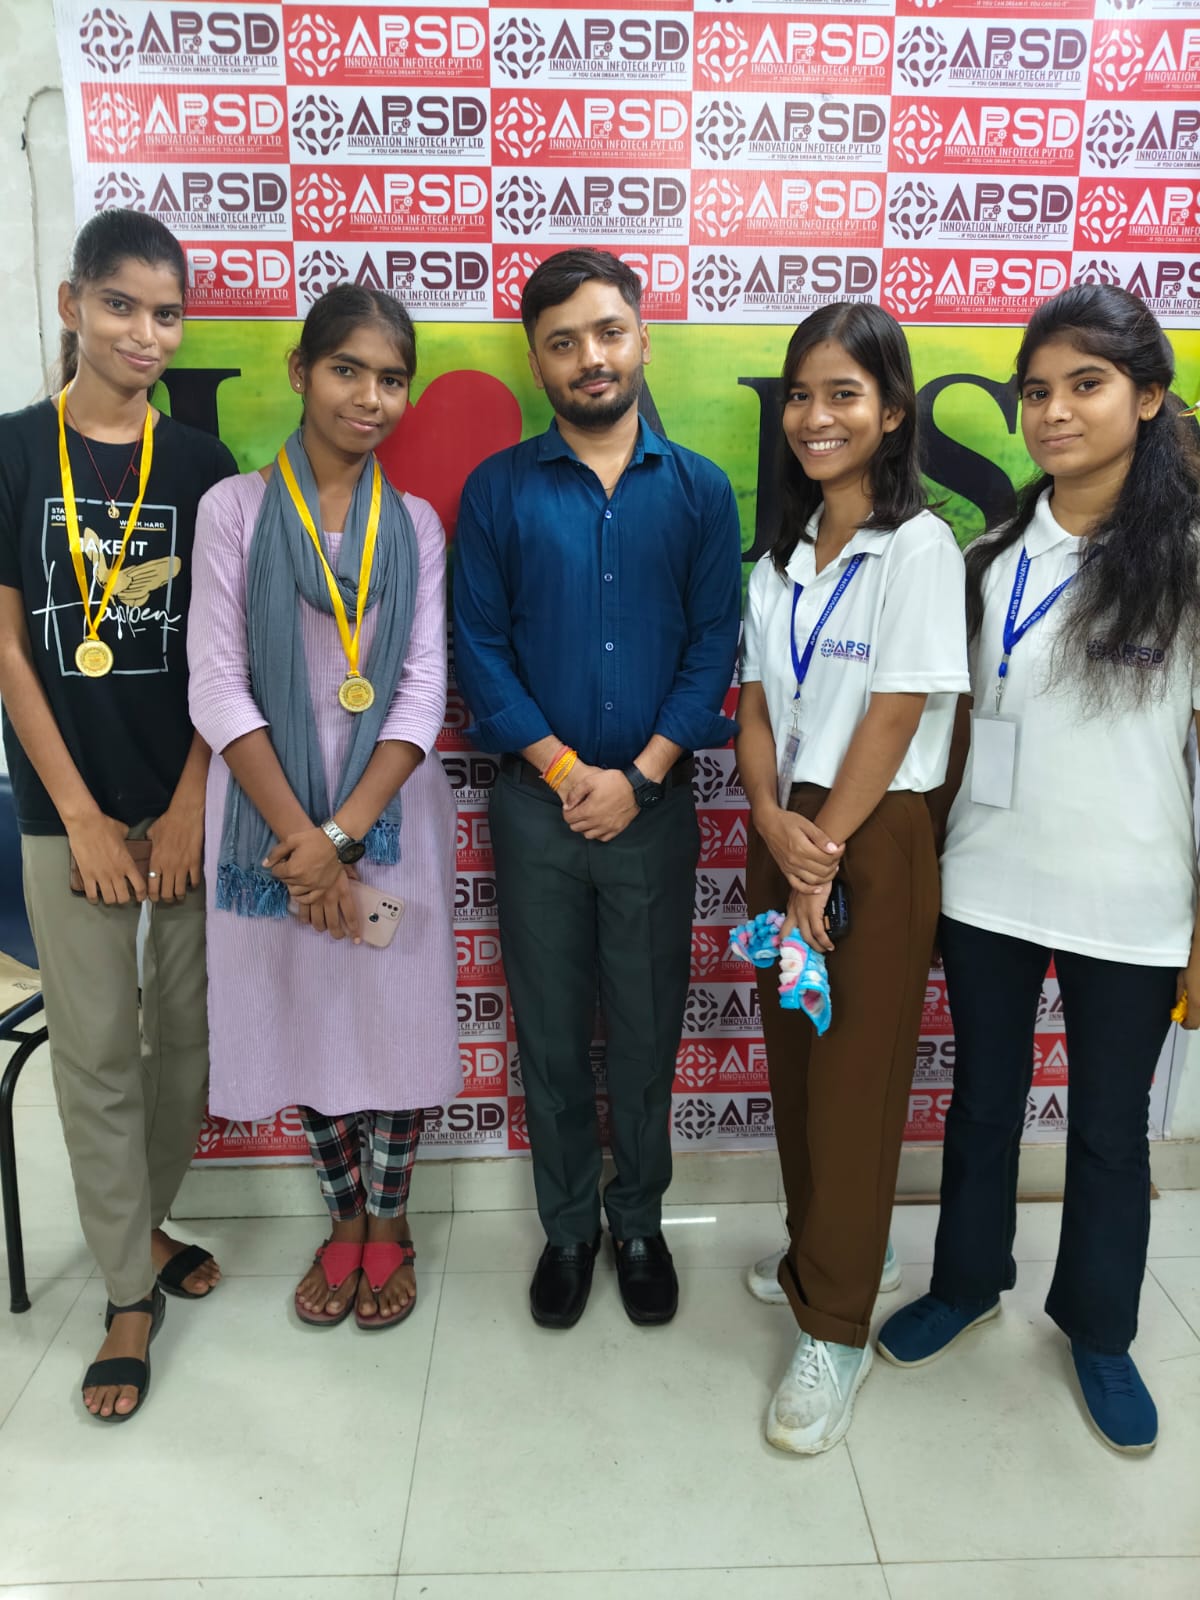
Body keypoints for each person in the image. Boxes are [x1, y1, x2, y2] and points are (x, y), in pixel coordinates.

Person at [877, 284, 1200, 1455]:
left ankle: (1101, 1329)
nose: (1053, 411)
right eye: (1035, 391)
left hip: (1133, 899)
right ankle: (967, 1281)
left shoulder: (1188, 559)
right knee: (982, 1101)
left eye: (1085, 385)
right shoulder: (991, 554)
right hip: (987, 884)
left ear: (1148, 397)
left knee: (1111, 1130)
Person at [453, 248, 742, 1329]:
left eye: (608, 332)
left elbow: (714, 645)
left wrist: (643, 775)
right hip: (539, 808)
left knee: (646, 1029)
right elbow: (479, 648)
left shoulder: (701, 490)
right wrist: (574, 773)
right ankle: (570, 1226)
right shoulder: (498, 490)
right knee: (551, 1031)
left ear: (642, 339)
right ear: (537, 361)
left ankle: (640, 1222)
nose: (591, 357)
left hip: (656, 811)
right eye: (564, 341)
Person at [0, 209, 238, 1421]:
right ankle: (126, 1293)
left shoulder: (201, 464)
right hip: (67, 809)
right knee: (95, 1049)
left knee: (184, 1042)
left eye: (166, 314)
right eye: (121, 306)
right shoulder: (9, 450)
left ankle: (140, 1221)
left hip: (185, 798)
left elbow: (220, 651)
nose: (146, 333)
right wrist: (82, 817)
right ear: (72, 304)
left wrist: (193, 797)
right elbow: (5, 646)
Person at [188, 284, 459, 1331]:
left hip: (387, 819)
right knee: (300, 1013)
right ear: (301, 372)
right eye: (347, 369)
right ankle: (342, 1216)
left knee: (392, 1021)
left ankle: (390, 1218)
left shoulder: (416, 526)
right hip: (266, 826)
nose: (370, 397)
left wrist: (342, 835)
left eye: (392, 378)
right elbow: (218, 685)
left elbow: (422, 690)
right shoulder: (234, 511)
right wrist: (304, 841)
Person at [737, 302, 969, 1454]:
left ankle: (835, 1329)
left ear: (892, 411)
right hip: (784, 830)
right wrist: (770, 822)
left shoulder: (918, 548)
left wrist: (818, 855)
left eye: (843, 394)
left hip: (868, 838)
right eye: (800, 395)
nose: (815, 416)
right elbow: (751, 709)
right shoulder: (778, 561)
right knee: (795, 1059)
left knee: (855, 1079)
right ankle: (824, 1252)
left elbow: (897, 711)